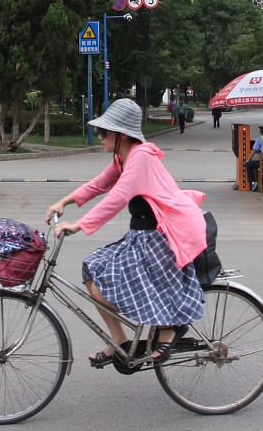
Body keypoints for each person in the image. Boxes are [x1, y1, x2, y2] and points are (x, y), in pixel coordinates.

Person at [46, 98, 207, 369]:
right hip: (142, 235)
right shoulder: (124, 157)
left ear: (122, 134)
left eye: (104, 132)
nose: (100, 137)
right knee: (92, 269)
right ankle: (119, 342)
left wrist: (80, 224)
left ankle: (170, 328)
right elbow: (100, 184)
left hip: (162, 236)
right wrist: (64, 201)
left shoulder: (141, 156)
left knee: (114, 282)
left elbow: (118, 197)